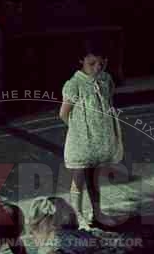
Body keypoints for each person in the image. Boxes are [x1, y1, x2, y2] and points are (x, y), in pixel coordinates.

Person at [59, 39, 125, 229]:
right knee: (78, 177)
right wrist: (78, 131)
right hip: (81, 141)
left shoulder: (105, 80)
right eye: (92, 64)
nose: (97, 68)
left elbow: (108, 104)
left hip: (99, 139)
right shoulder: (74, 84)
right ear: (81, 61)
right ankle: (77, 215)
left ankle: (97, 213)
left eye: (101, 63)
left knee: (94, 178)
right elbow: (64, 113)